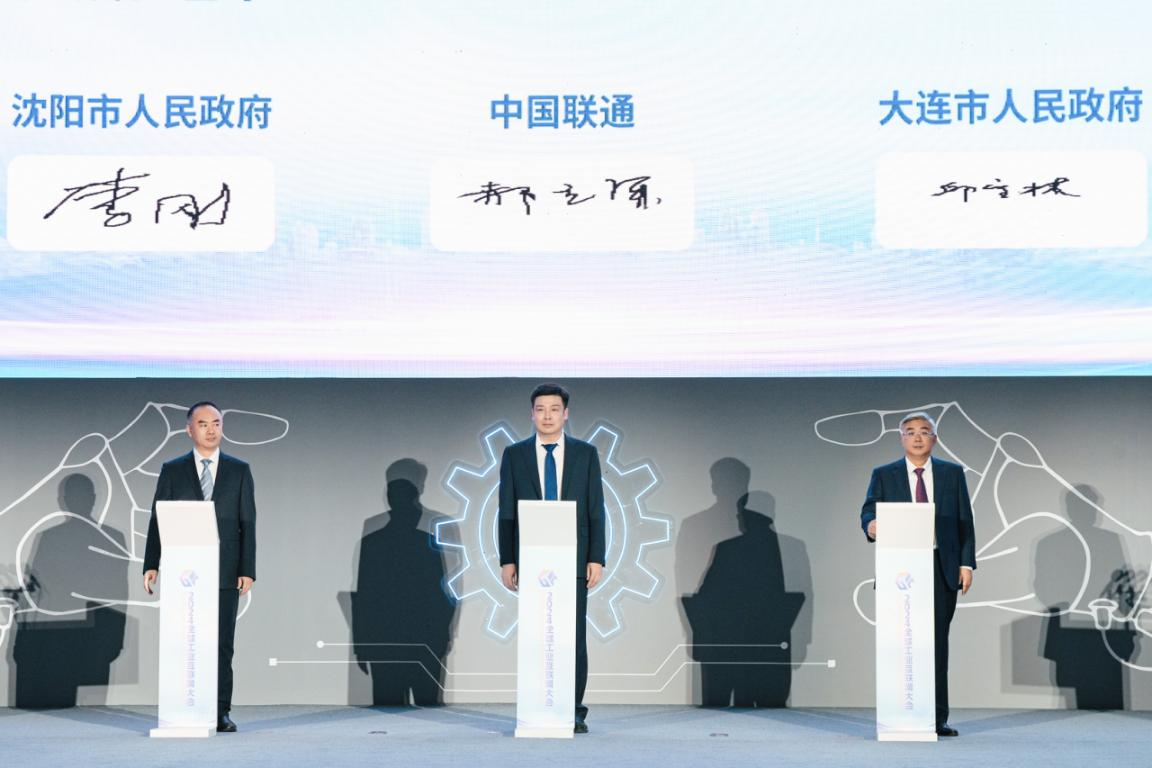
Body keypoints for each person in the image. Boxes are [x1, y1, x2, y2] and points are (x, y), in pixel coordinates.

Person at [143, 401, 256, 733]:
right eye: (204, 424)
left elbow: (248, 522)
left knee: (221, 644)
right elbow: (158, 518)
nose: (211, 430)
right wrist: (152, 563)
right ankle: (184, 707)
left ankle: (220, 711)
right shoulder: (172, 470)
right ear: (189, 430)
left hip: (225, 570)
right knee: (186, 641)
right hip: (184, 572)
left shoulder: (239, 470)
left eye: (216, 423)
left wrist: (247, 569)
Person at [498, 383, 605, 734]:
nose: (547, 416)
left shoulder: (585, 454)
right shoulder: (514, 455)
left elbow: (596, 508)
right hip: (531, 558)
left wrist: (596, 557)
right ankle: (537, 707)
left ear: (566, 414)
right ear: (532, 414)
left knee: (572, 638)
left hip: (573, 558)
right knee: (537, 635)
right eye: (541, 409)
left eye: (554, 409)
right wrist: (508, 560)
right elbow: (506, 511)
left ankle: (573, 711)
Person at [860, 411, 975, 737]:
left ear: (934, 438)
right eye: (910, 432)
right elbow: (868, 510)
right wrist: (870, 524)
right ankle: (899, 715)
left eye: (924, 431)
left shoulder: (952, 473)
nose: (917, 437)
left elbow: (965, 520)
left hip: (941, 568)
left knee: (936, 645)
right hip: (900, 569)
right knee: (901, 643)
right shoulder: (884, 474)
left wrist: (966, 564)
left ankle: (936, 719)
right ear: (902, 439)